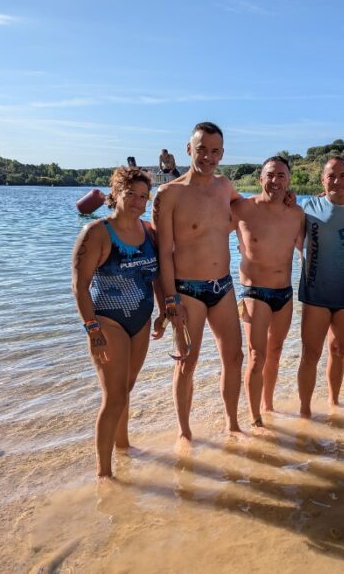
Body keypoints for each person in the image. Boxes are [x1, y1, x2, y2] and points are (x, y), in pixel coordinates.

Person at [152, 122, 243, 444]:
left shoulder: (224, 186)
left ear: (222, 153)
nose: (208, 156)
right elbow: (162, 253)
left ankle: (232, 425)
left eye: (215, 151)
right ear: (189, 149)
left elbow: (248, 210)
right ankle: (185, 433)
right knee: (187, 363)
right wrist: (169, 301)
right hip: (187, 290)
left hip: (223, 286)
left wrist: (286, 201)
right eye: (202, 149)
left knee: (235, 357)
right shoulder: (169, 193)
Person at [71, 166, 164, 478]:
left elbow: (158, 277)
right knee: (114, 396)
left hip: (140, 318)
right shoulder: (97, 232)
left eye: (143, 196)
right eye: (130, 195)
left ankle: (124, 447)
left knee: (127, 388)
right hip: (107, 321)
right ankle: (104, 473)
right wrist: (92, 328)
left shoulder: (149, 232)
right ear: (115, 194)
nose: (138, 201)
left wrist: (165, 310)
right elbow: (79, 286)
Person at [296, 157, 344, 417]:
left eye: (342, 175)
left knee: (338, 350)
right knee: (311, 353)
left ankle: (333, 405)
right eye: (331, 175)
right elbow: (287, 233)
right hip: (315, 292)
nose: (336, 181)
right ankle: (305, 411)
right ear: (322, 180)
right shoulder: (307, 207)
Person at [232, 156, 304, 427]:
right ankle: (255, 417)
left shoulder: (296, 213)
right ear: (260, 178)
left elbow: (309, 246)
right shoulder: (242, 208)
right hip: (254, 292)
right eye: (270, 175)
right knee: (256, 355)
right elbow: (208, 230)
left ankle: (268, 404)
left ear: (288, 181)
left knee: (275, 351)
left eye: (281, 176)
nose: (275, 181)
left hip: (284, 293)